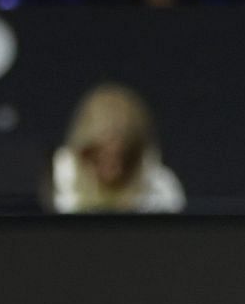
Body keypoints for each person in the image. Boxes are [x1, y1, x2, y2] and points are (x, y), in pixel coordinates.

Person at [47, 83, 187, 214]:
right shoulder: (58, 179)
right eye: (98, 155)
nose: (112, 167)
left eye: (123, 157)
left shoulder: (161, 190)